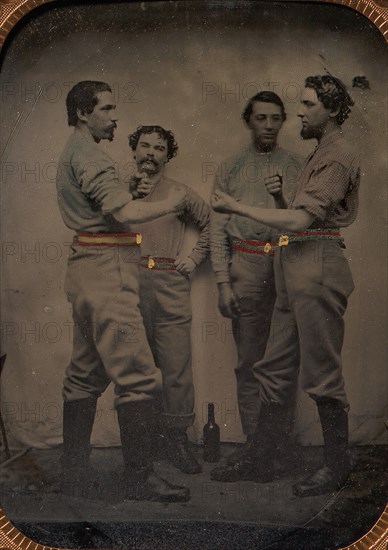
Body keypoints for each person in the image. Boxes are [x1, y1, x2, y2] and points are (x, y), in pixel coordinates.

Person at [210, 75, 360, 497]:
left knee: (322, 372)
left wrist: (236, 205)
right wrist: (278, 199)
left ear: (330, 111)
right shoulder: (319, 153)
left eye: (308, 105)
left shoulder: (339, 156)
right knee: (273, 369)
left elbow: (300, 222)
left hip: (316, 265)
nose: (300, 113)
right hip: (292, 264)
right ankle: (261, 458)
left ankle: (336, 465)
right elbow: (293, 216)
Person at [56, 81, 190, 502]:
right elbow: (126, 213)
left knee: (85, 374)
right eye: (107, 108)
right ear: (82, 112)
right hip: (107, 273)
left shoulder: (76, 152)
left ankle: (73, 476)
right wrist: (171, 204)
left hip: (86, 269)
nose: (115, 117)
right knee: (139, 378)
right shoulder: (91, 155)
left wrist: (129, 193)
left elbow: (108, 206)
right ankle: (141, 479)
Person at [210, 92, 301, 459]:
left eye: (275, 118)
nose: (268, 125)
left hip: (284, 265)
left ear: (283, 121)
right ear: (248, 120)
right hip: (245, 268)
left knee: (283, 360)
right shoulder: (230, 168)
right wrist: (222, 281)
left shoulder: (297, 165)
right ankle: (253, 445)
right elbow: (217, 228)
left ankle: (277, 444)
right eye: (260, 118)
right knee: (249, 360)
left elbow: (302, 220)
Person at [128, 125, 210, 474]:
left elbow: (212, 224)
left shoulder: (180, 193)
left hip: (170, 283)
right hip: (129, 284)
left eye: (158, 147)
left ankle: (176, 441)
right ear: (134, 150)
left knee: (175, 367)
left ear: (167, 154)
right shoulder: (117, 191)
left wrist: (192, 259)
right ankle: (141, 447)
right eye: (144, 146)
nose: (150, 153)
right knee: (136, 367)